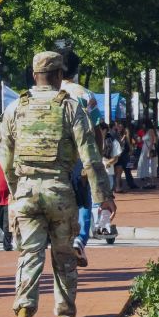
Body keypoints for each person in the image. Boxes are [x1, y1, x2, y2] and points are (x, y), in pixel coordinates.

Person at [0, 51, 116, 317]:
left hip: (26, 192)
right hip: (61, 192)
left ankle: (24, 313)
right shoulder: (71, 108)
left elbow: (4, 156)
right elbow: (90, 156)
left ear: (34, 74)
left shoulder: (15, 108)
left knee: (30, 255)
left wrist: (15, 189)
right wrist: (104, 197)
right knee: (64, 258)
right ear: (60, 74)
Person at [58, 47, 101, 268]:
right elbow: (98, 128)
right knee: (84, 201)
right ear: (75, 71)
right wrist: (97, 161)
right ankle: (79, 239)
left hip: (48, 160)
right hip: (79, 157)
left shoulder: (36, 93)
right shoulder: (85, 95)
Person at [137, 118, 158, 189]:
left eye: (143, 124)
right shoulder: (146, 131)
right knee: (145, 165)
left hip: (149, 149)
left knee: (151, 165)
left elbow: (152, 141)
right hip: (144, 150)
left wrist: (149, 151)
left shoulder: (151, 131)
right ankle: (148, 183)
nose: (142, 125)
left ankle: (153, 183)